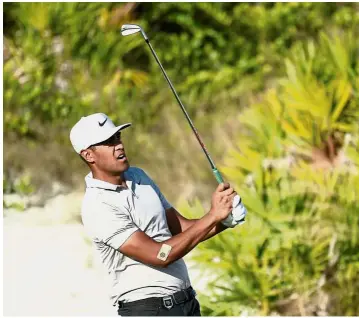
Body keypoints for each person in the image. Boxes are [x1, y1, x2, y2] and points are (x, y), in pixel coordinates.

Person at [69, 113, 247, 316]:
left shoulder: (139, 177)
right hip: (148, 310)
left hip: (187, 303)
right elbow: (160, 255)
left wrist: (225, 219)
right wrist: (213, 216)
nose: (118, 145)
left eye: (117, 138)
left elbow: (182, 229)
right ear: (88, 155)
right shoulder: (97, 205)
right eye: (108, 142)